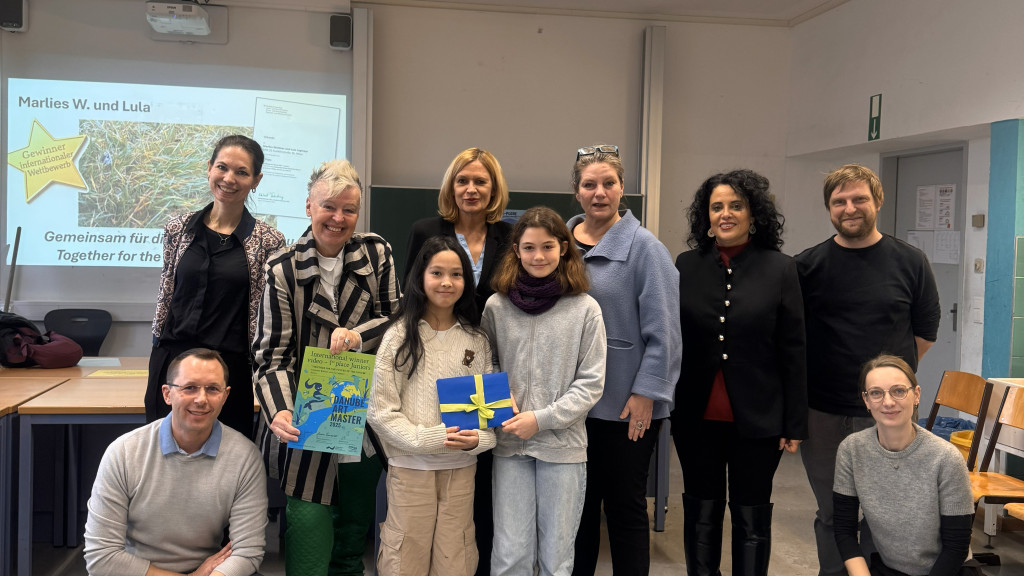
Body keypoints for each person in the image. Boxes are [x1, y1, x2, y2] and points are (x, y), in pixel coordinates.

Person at [253, 159, 399, 575]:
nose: (338, 218)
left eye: (348, 210)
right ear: (308, 207)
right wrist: (280, 410)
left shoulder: (376, 252)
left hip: (362, 414)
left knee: (353, 533)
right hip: (307, 415)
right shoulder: (281, 268)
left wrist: (357, 336)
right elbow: (271, 356)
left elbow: (397, 319)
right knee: (310, 528)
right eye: (328, 207)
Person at [795, 163, 941, 576]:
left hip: (885, 413)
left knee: (885, 514)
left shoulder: (911, 262)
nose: (850, 207)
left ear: (877, 201)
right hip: (822, 413)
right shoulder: (807, 266)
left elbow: (924, 334)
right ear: (829, 209)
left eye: (859, 198)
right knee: (833, 512)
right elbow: (795, 337)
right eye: (839, 201)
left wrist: (889, 390)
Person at [672, 170, 807, 576]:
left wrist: (794, 422)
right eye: (717, 207)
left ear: (754, 214)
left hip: (759, 421)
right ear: (706, 216)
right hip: (696, 417)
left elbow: (794, 349)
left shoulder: (780, 268)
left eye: (736, 206)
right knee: (700, 512)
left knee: (752, 518)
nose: (725, 214)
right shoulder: (685, 265)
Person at [566, 145, 682, 576]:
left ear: (622, 189)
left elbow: (665, 330)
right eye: (590, 184)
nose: (600, 192)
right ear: (576, 192)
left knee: (625, 509)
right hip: (570, 405)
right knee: (576, 510)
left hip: (624, 407)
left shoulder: (646, 249)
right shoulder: (557, 245)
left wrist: (648, 393)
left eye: (609, 183)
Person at [404, 146, 513, 575]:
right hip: (436, 354)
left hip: (490, 357)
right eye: (463, 181)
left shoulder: (509, 236)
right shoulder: (425, 229)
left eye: (480, 181)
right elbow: (411, 292)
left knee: (480, 467)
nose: (471, 189)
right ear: (452, 186)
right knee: (444, 451)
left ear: (493, 188)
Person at [482, 206, 606, 576]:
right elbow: (485, 367)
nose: (539, 256)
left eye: (548, 246)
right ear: (516, 251)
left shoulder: (586, 310)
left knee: (556, 558)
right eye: (529, 247)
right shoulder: (496, 306)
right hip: (510, 446)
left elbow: (591, 383)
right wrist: (503, 404)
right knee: (510, 556)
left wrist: (541, 419)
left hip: (563, 449)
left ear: (564, 248)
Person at [368, 235, 497, 575]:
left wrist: (480, 441)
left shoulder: (477, 339)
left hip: (461, 470)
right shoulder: (398, 336)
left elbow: (491, 416)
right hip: (411, 470)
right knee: (405, 556)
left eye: (456, 274)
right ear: (420, 277)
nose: (446, 282)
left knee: (456, 557)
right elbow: (380, 412)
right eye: (437, 272)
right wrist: (428, 438)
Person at [145, 134, 285, 438]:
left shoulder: (269, 242)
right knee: (162, 457)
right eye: (222, 167)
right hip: (173, 364)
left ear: (256, 180)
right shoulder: (177, 229)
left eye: (242, 172)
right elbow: (167, 292)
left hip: (229, 371)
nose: (229, 179)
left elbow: (264, 315)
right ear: (209, 168)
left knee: (225, 463)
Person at [85, 348, 267, 576]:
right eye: (189, 387)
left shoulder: (245, 457)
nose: (201, 399)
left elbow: (247, 552)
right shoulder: (123, 452)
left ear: (225, 396)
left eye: (212, 389)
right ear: (167, 394)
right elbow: (101, 558)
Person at [833, 355, 973, 576]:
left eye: (899, 391)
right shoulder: (851, 450)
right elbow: (844, 530)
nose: (888, 402)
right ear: (866, 400)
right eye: (876, 393)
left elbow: (955, 549)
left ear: (916, 395)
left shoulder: (946, 458)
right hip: (889, 569)